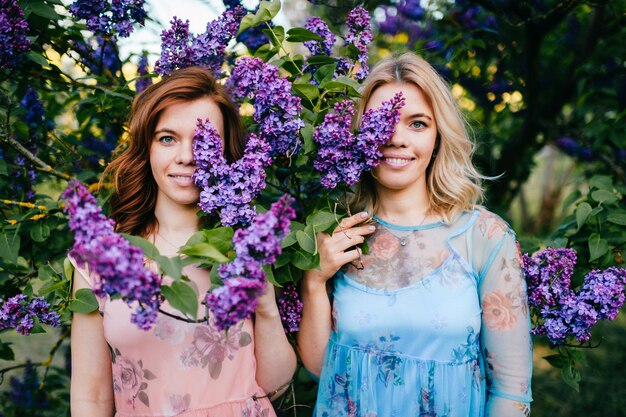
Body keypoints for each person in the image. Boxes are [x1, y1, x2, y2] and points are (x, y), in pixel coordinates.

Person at [297, 53, 533, 417]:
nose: (395, 137)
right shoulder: (335, 230)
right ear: (359, 133)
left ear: (438, 136)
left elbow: (511, 390)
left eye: (418, 124)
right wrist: (314, 281)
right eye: (381, 121)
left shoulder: (484, 235)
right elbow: (320, 370)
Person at [70, 66, 297, 417]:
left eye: (206, 141)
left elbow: (274, 387)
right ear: (146, 147)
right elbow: (91, 396)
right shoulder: (100, 259)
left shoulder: (245, 246)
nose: (188, 157)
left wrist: (266, 305)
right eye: (168, 138)